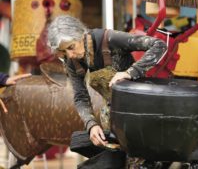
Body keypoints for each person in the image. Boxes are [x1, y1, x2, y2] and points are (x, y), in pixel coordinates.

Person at [47, 15, 167, 168]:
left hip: (140, 113)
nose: (70, 55)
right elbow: (80, 97)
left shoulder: (109, 39)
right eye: (63, 52)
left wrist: (131, 72)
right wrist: (91, 125)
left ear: (81, 34)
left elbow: (159, 45)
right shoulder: (72, 61)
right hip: (111, 118)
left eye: (71, 47)